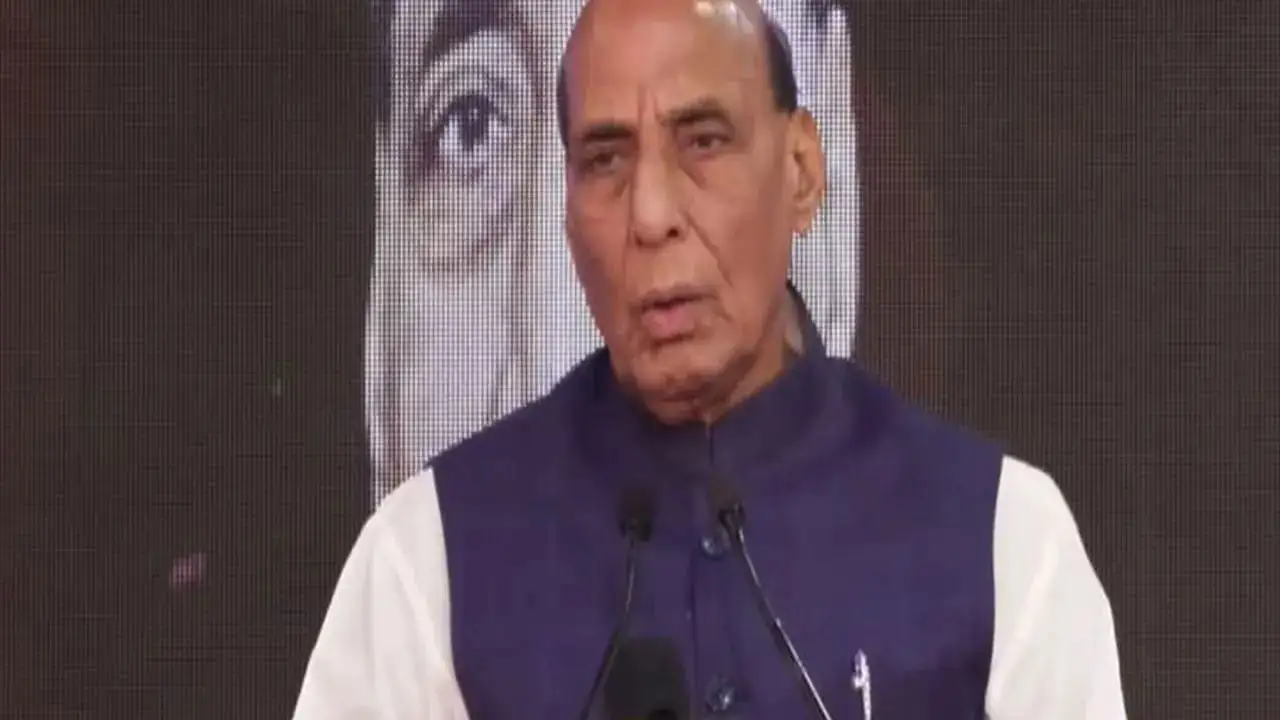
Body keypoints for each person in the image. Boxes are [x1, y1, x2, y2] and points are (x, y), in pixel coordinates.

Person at [295, 0, 1127, 717]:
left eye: (703, 141)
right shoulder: (428, 559)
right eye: (605, 159)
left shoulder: (1002, 539)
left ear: (804, 170)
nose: (650, 214)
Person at [365, 0, 860, 506]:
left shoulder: (916, 523)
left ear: (809, 174)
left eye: (705, 141)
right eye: (471, 126)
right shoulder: (422, 544)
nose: (551, 350)